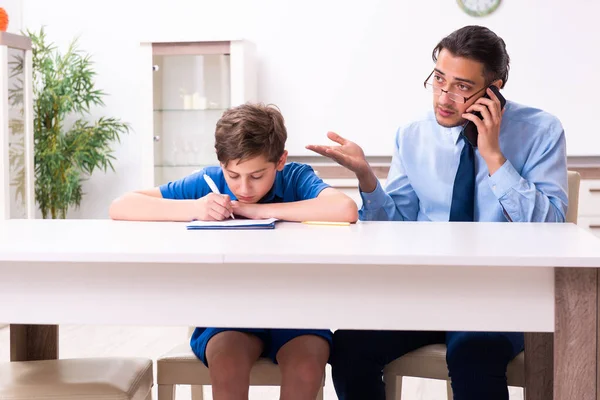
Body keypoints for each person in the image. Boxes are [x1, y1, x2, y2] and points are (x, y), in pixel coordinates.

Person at [307, 25, 568, 400]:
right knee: (349, 348)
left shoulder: (541, 131)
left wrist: (493, 156)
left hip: (503, 294)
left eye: (462, 87)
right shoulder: (413, 135)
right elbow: (395, 230)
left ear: (494, 88)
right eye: (439, 80)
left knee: (473, 356)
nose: (444, 98)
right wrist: (366, 179)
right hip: (428, 291)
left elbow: (552, 229)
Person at [110, 102, 358, 400]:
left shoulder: (294, 178)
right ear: (221, 164)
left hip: (296, 309)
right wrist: (195, 207)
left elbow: (344, 209)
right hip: (229, 312)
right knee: (227, 365)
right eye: (233, 175)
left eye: (256, 176)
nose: (244, 187)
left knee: (306, 367)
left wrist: (255, 210)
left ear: (280, 161)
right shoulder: (208, 182)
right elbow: (121, 205)